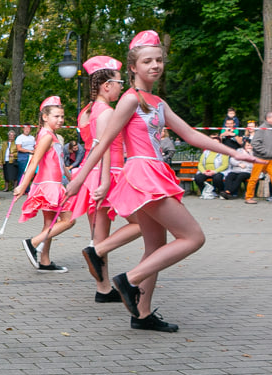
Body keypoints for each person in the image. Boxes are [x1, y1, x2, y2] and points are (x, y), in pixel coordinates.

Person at [66, 31, 261, 332]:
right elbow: (103, 142)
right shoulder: (130, 99)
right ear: (133, 67)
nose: (155, 65)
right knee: (193, 237)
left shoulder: (156, 101)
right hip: (143, 175)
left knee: (156, 246)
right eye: (147, 61)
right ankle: (128, 281)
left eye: (159, 60)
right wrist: (79, 179)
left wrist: (239, 154)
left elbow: (192, 135)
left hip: (151, 175)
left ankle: (141, 315)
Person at [69, 56, 141, 303]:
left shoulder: (87, 111)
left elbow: (91, 146)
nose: (122, 87)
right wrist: (106, 181)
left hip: (92, 174)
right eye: (120, 82)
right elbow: (106, 146)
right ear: (106, 85)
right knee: (141, 223)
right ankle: (96, 253)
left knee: (100, 232)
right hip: (108, 173)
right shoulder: (107, 112)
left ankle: (103, 290)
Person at [16, 96, 75, 273]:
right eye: (56, 116)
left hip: (53, 183)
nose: (61, 120)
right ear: (45, 117)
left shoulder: (52, 135)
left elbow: (60, 164)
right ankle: (32, 243)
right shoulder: (47, 136)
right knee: (69, 220)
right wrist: (22, 186)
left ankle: (45, 261)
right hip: (50, 185)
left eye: (62, 116)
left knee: (50, 223)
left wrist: (75, 181)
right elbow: (34, 162)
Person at [244, 111, 272, 204]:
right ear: (268, 119)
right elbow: (254, 143)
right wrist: (266, 152)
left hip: (270, 159)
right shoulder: (261, 129)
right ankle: (248, 197)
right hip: (260, 158)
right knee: (254, 178)